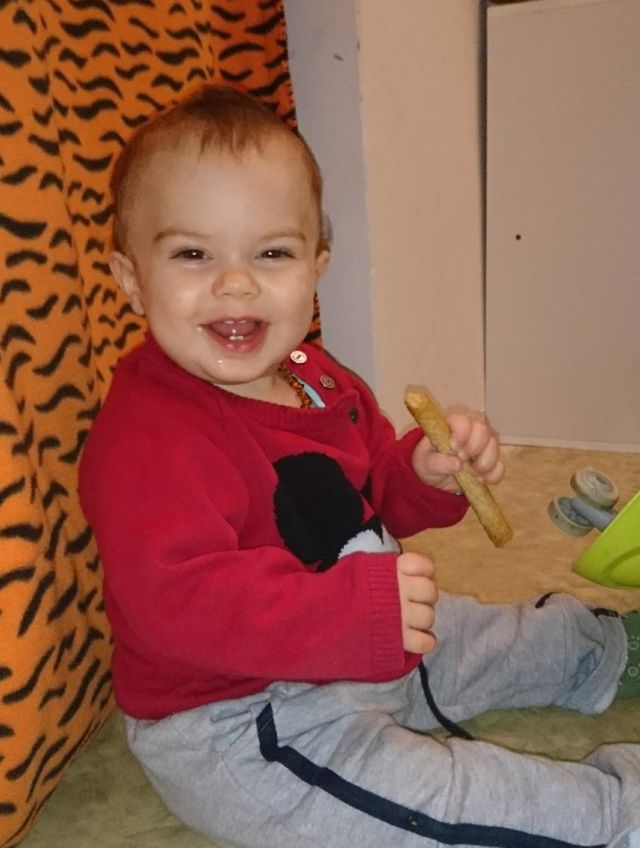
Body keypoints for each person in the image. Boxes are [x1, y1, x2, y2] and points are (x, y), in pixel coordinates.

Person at [79, 83, 640, 848]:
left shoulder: (316, 377)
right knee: (451, 797)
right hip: (245, 719)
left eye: (272, 252)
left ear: (317, 264)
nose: (236, 282)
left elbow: (372, 490)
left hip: (359, 635)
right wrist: (355, 613)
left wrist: (425, 472)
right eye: (193, 254)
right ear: (130, 277)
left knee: (478, 631)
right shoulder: (149, 437)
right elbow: (175, 605)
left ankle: (605, 651)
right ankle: (615, 817)